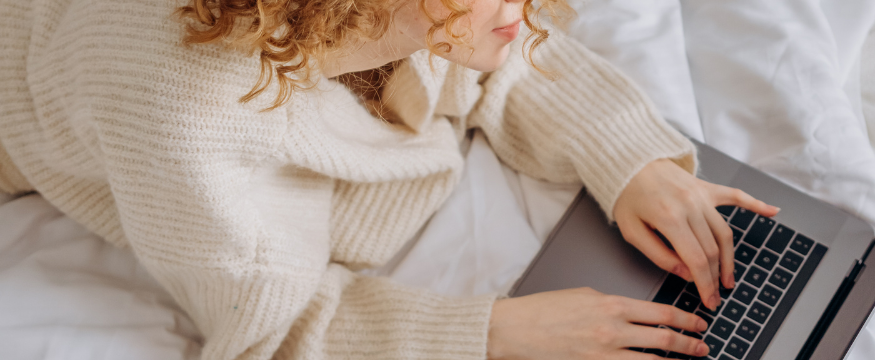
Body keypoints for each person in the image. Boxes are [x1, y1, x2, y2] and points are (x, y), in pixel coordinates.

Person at [0, 0, 778, 358]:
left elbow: (492, 54)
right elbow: (271, 335)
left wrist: (627, 155)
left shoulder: (392, 12)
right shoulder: (194, 112)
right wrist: (495, 334)